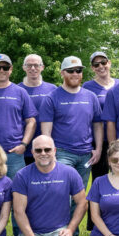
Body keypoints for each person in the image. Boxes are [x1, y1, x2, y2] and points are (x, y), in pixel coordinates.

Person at [12, 136, 87, 236]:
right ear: (32, 152)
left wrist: (70, 229)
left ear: (54, 151)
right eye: (38, 150)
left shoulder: (69, 173)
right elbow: (19, 211)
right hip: (32, 231)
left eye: (47, 150)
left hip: (58, 231)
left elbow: (82, 203)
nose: (43, 153)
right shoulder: (22, 175)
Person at [40, 56, 103, 187]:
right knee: (62, 193)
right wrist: (49, 153)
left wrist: (98, 149)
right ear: (62, 73)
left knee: (79, 195)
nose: (75, 74)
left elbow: (97, 125)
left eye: (78, 70)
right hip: (62, 154)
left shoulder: (91, 97)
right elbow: (46, 132)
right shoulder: (51, 98)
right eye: (70, 70)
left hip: (86, 154)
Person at [83, 51, 119, 182]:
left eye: (103, 62)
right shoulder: (87, 87)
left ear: (109, 63)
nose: (101, 66)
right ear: (92, 68)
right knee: (100, 179)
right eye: (96, 64)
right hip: (98, 141)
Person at [18, 54, 57, 165]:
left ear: (42, 67)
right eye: (29, 65)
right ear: (24, 67)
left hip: (46, 148)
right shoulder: (16, 90)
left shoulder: (52, 89)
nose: (33, 68)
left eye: (36, 65)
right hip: (23, 146)